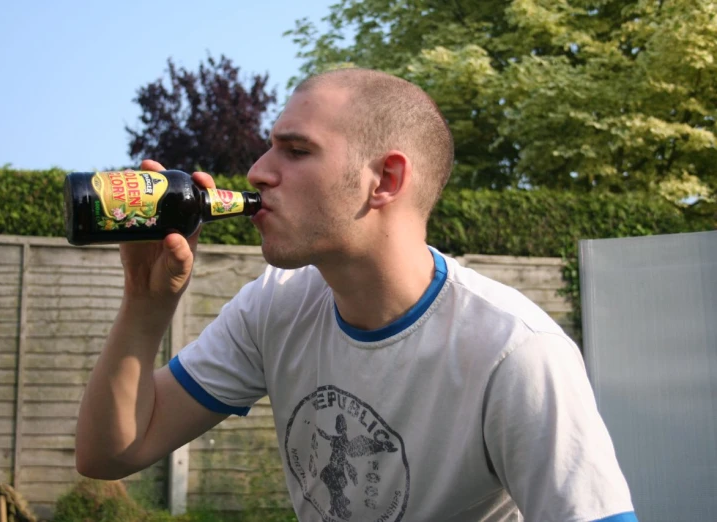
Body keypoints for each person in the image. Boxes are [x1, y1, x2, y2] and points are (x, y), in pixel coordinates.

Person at [75, 68, 638, 521]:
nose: (256, 172)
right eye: (269, 148)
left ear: (386, 181)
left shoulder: (515, 352)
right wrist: (146, 306)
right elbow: (109, 454)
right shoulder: (276, 306)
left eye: (295, 151)